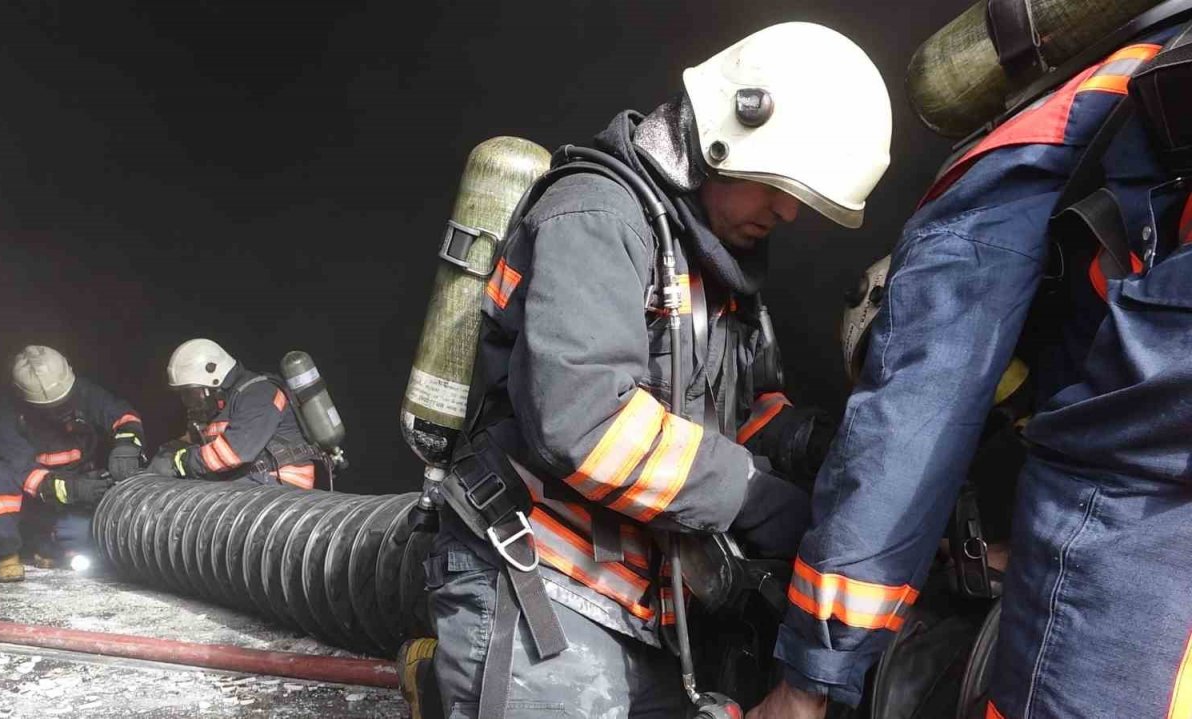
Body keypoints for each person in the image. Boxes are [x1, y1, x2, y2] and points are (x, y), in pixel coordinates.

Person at [428, 22, 892, 718]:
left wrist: (830, 453)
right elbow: (584, 419)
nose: (788, 210)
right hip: (538, 593)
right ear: (730, 127)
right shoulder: (596, 215)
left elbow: (736, 416)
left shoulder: (712, 273)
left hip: (642, 613)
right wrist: (757, 497)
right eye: (780, 184)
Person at [752, 24, 1190, 719]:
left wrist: (806, 680)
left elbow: (916, 410)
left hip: (1135, 578)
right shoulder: (1147, 110)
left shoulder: (1037, 136)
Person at [0, 345, 145, 582]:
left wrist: (126, 446)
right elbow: (23, 471)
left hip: (72, 502)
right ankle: (7, 554)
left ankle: (50, 545)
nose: (60, 411)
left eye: (63, 401)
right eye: (50, 407)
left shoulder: (84, 393)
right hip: (31, 504)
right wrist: (74, 489)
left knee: (89, 536)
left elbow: (123, 415)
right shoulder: (2, 417)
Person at [149, 338, 318, 489]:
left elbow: (234, 452)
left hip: (282, 483)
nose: (190, 402)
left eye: (191, 393)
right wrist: (168, 452)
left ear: (213, 377)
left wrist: (181, 462)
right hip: (250, 481)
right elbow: (192, 441)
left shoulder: (259, 394)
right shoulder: (221, 406)